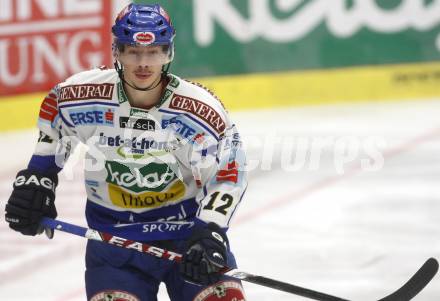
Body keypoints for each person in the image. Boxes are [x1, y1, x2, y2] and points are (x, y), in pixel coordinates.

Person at [5, 3, 247, 301]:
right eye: (133, 51)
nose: (144, 63)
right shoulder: (83, 95)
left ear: (168, 53)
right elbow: (56, 118)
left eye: (154, 51)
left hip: (185, 234)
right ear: (117, 52)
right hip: (114, 240)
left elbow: (229, 171)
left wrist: (211, 228)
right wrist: (39, 177)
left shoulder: (198, 110)